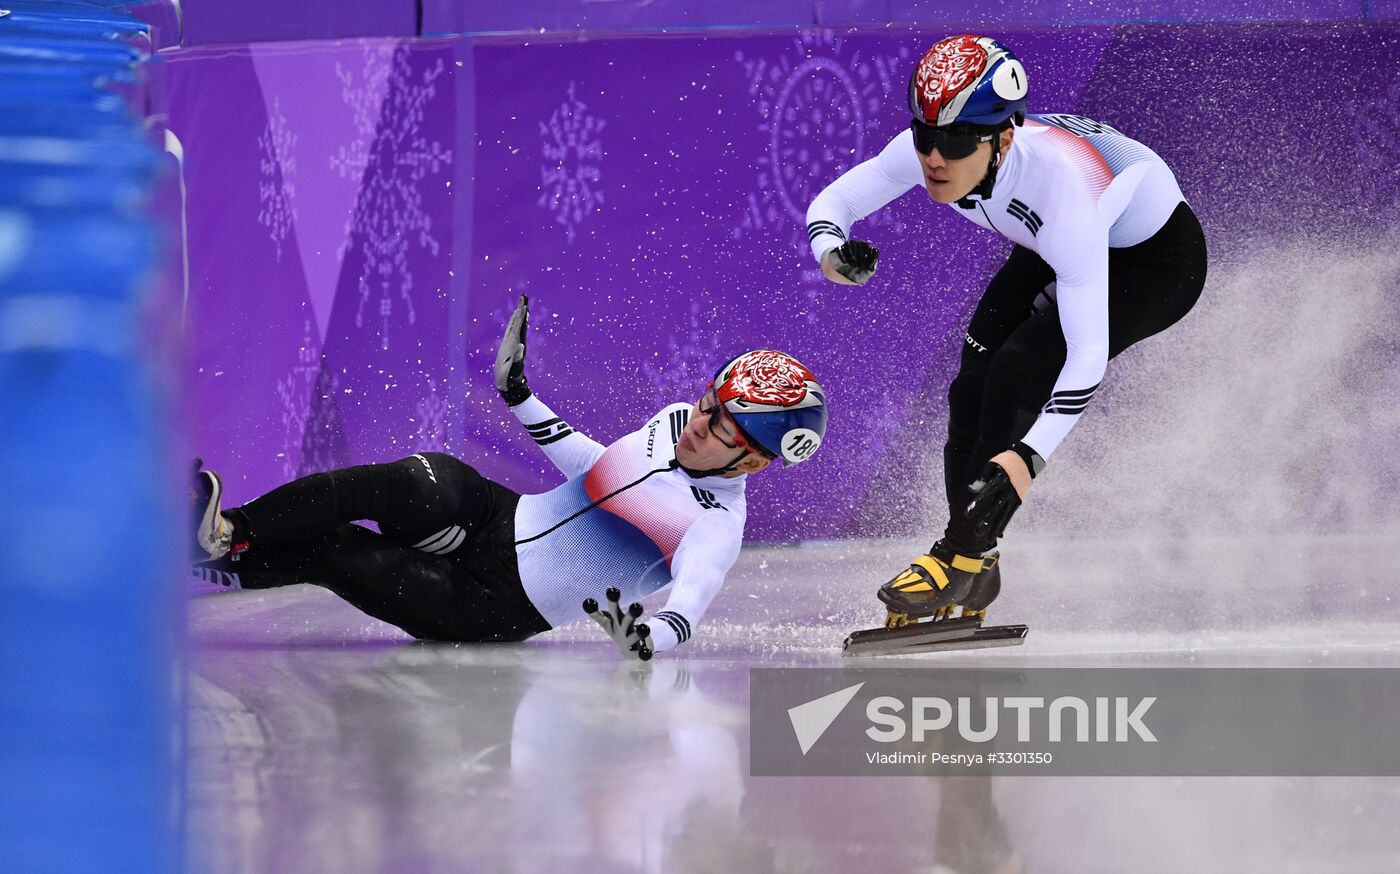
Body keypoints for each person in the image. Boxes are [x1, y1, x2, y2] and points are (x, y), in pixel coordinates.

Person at [805, 34, 1207, 628]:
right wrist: (833, 256)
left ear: (1003, 138)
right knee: (970, 386)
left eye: (956, 141)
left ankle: (960, 553)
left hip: (1154, 261)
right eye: (925, 137)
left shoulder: (1065, 196)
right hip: (1049, 244)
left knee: (1018, 371)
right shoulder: (935, 150)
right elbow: (834, 202)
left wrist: (1029, 457)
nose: (935, 159)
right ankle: (974, 559)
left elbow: (1087, 356)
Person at [190, 296, 828, 658]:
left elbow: (689, 606)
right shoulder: (675, 419)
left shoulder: (715, 528)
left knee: (336, 551)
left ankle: (185, 561)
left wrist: (645, 639)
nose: (700, 422)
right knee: (410, 481)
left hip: (494, 605)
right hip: (499, 516)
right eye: (710, 402)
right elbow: (600, 472)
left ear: (754, 462)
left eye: (722, 428)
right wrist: (521, 396)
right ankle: (223, 530)